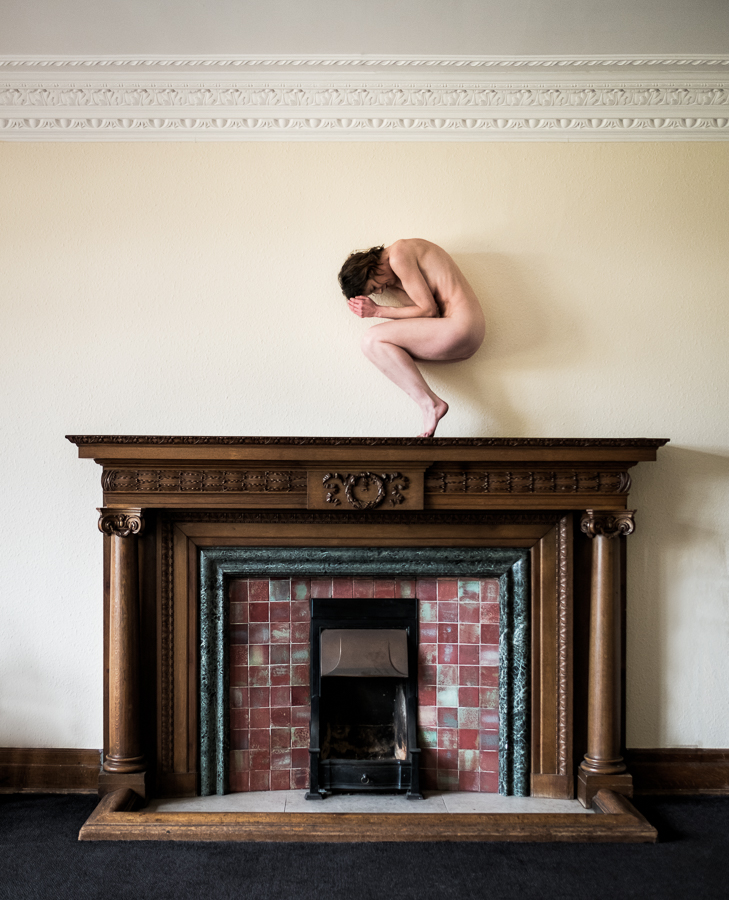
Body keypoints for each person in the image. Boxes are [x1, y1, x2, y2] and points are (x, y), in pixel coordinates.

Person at [338, 239, 485, 437]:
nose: (380, 291)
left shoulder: (399, 253)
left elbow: (427, 311)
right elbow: (427, 317)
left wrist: (377, 311)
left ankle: (430, 404)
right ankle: (430, 404)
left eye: (374, 287)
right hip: (466, 339)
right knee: (386, 350)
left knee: (371, 340)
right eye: (374, 292)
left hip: (461, 326)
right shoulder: (396, 278)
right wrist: (394, 289)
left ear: (369, 269)